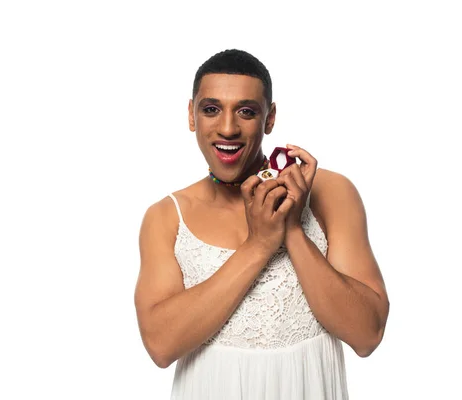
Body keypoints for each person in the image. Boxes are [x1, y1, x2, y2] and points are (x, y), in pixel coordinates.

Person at [133, 49, 390, 399]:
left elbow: (367, 335)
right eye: (211, 109)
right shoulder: (166, 217)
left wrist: (294, 229)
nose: (227, 128)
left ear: (269, 119)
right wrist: (259, 245)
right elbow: (160, 346)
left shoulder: (332, 192)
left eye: (246, 111)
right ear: (191, 116)